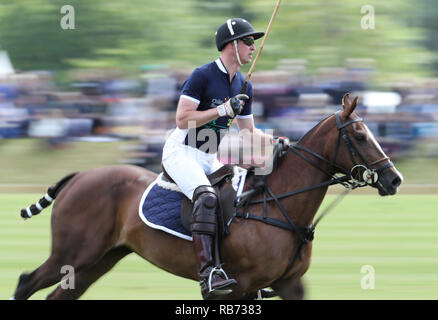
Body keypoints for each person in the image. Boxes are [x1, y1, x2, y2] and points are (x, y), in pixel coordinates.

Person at [162, 18, 286, 299]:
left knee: (242, 195)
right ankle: (208, 274)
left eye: (254, 42)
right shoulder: (202, 75)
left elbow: (248, 133)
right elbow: (182, 120)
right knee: (207, 198)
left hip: (210, 155)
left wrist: (278, 142)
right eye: (248, 42)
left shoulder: (244, 84)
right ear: (231, 45)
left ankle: (241, 273)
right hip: (182, 150)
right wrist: (223, 110)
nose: (253, 47)